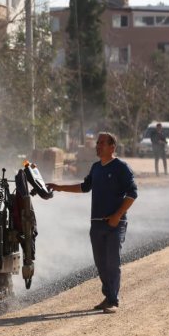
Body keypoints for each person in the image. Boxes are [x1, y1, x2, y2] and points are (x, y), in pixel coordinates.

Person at [47, 132, 138, 313]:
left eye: (102, 143)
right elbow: (84, 187)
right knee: (101, 264)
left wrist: (117, 215)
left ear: (112, 147)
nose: (98, 146)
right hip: (96, 224)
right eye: (97, 143)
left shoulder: (121, 167)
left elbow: (132, 194)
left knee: (113, 262)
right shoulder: (96, 167)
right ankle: (109, 295)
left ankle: (113, 300)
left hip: (115, 225)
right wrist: (59, 187)